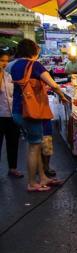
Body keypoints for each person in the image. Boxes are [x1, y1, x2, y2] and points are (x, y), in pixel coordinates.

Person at [10, 39, 67, 192]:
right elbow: (53, 84)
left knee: (35, 143)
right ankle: (32, 183)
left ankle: (43, 177)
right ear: (33, 51)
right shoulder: (34, 65)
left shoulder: (13, 65)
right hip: (31, 111)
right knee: (34, 147)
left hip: (17, 110)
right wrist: (61, 95)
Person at [0, 48, 22, 178]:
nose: (4, 63)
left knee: (13, 142)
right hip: (0, 116)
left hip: (11, 115)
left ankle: (13, 168)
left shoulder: (9, 76)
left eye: (6, 61)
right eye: (2, 60)